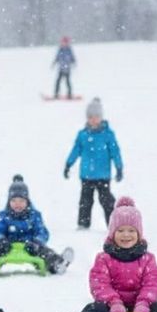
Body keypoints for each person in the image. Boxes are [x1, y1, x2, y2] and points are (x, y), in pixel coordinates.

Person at [0, 174, 74, 275]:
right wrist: (1, 240)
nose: (17, 204)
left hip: (30, 247)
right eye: (14, 201)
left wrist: (37, 242)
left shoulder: (34, 215)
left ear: (27, 201)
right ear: (8, 202)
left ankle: (57, 264)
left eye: (21, 201)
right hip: (7, 247)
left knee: (44, 252)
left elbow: (42, 231)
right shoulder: (4, 216)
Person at [63, 97, 123, 229]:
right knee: (85, 201)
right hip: (87, 175)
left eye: (96, 116)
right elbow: (75, 150)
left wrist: (119, 168)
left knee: (107, 201)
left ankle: (113, 225)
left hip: (103, 175)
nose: (93, 119)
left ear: (101, 117)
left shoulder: (108, 134)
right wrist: (68, 164)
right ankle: (83, 224)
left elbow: (115, 152)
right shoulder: (83, 135)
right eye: (90, 117)